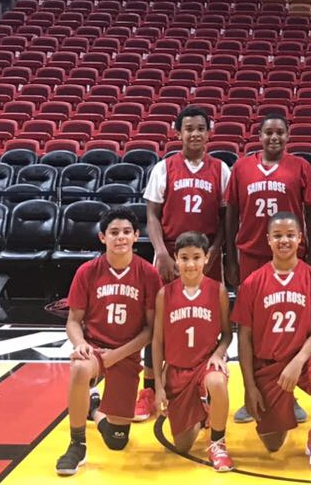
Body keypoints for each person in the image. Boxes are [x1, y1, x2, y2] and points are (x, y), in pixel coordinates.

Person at [226, 113, 311, 423]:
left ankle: (287, 395)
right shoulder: (241, 168)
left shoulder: (301, 167)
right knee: (251, 330)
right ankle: (248, 394)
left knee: (290, 328)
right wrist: (230, 258)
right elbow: (231, 214)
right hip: (252, 253)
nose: (274, 137)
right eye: (269, 132)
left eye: (280, 132)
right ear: (259, 135)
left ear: (288, 136)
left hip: (291, 255)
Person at [55, 207, 163, 476]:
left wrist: (117, 355)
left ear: (137, 236)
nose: (121, 238)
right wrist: (80, 343)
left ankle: (93, 408)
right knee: (80, 367)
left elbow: (151, 330)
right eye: (114, 232)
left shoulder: (148, 274)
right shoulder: (87, 271)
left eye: (127, 232)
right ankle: (76, 444)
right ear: (103, 237)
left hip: (126, 354)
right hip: (94, 348)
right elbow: (72, 321)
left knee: (117, 441)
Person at [140, 104, 231, 421]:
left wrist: (214, 252)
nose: (195, 133)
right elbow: (151, 214)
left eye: (200, 128)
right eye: (188, 128)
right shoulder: (164, 168)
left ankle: (205, 389)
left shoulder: (221, 169)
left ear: (209, 133)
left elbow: (225, 219)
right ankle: (149, 388)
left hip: (206, 256)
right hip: (169, 252)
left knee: (207, 322)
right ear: (177, 133)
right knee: (158, 324)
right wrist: (161, 253)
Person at [234, 211, 311, 470]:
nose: (284, 241)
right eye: (278, 236)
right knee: (273, 444)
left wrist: (299, 361)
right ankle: (277, 412)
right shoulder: (252, 282)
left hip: (303, 360)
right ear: (268, 240)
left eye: (290, 235)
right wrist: (249, 387)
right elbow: (244, 337)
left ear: (300, 239)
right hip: (268, 364)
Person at [152, 232, 233, 471]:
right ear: (175, 258)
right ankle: (204, 410)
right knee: (183, 445)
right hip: (177, 370)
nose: (190, 264)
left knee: (217, 382)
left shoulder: (217, 291)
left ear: (206, 258)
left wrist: (218, 354)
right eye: (184, 258)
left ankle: (218, 444)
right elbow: (157, 342)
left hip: (205, 365)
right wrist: (157, 384)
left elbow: (228, 334)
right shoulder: (164, 294)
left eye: (196, 257)